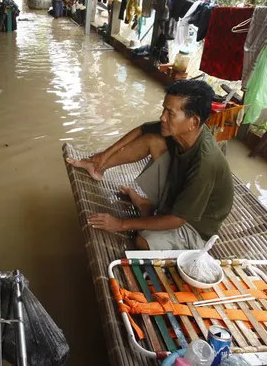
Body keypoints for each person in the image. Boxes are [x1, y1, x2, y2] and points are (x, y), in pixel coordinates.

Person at [66, 80, 233, 250]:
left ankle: (148, 208)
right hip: (179, 195)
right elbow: (142, 130)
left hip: (194, 226)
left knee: (142, 241)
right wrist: (102, 157)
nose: (162, 117)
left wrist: (121, 224)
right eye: (164, 109)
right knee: (152, 140)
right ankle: (97, 169)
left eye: (170, 113)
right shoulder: (183, 132)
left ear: (194, 122)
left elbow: (177, 220)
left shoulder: (205, 164)